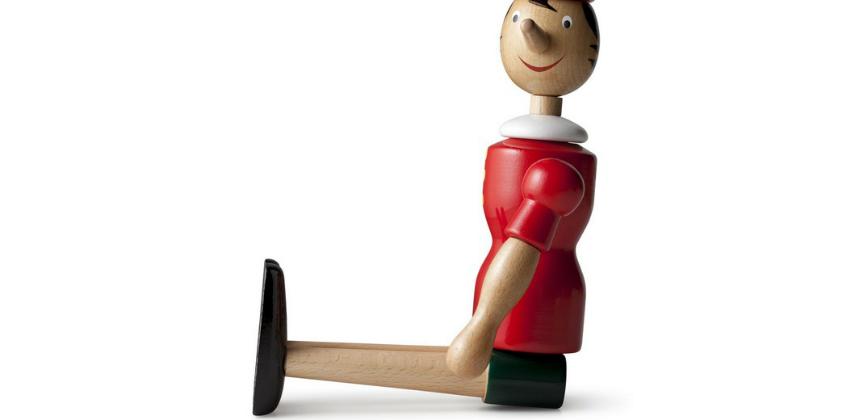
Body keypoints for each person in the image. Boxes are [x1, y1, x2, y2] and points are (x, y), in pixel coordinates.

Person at [447, 0, 600, 379]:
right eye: (518, 19)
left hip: (534, 306)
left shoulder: (566, 166)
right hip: (495, 309)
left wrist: (483, 324)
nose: (531, 33)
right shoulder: (508, 151)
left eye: (566, 25)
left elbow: (529, 238)